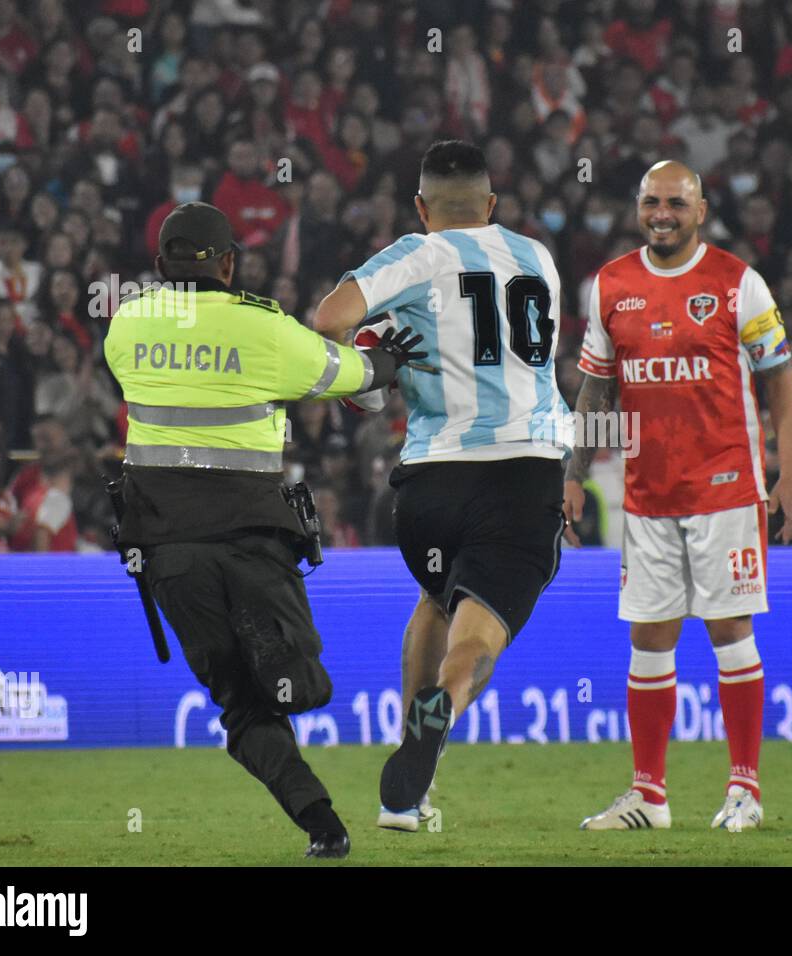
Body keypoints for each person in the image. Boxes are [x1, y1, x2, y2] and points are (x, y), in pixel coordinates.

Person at [103, 201, 426, 859]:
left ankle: (322, 824)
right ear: (229, 262)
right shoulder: (266, 329)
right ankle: (283, 662)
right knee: (296, 677)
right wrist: (389, 358)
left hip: (170, 554)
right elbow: (356, 376)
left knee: (241, 709)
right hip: (252, 539)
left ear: (161, 263)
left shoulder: (127, 324)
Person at [313, 140, 574, 832]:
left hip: (430, 483)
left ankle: (408, 787)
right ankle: (444, 709)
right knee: (477, 636)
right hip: (524, 470)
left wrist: (366, 378)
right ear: (491, 206)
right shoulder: (537, 260)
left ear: (422, 208)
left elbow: (329, 320)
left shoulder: (418, 254)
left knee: (434, 601)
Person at [566, 160, 792, 832]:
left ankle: (745, 790)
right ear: (637, 207)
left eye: (676, 202)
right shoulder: (610, 284)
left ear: (701, 211)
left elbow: (782, 386)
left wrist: (790, 474)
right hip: (648, 494)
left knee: (730, 628)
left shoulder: (738, 283)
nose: (662, 213)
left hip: (727, 488)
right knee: (649, 637)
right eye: (651, 202)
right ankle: (650, 796)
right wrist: (572, 473)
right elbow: (596, 388)